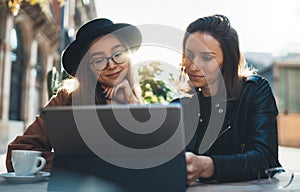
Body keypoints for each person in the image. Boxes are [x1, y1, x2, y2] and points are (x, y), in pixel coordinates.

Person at [6, 18, 142, 172]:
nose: (111, 65)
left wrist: (133, 108)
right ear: (88, 68)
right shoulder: (64, 101)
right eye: (98, 60)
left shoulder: (137, 103)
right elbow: (15, 154)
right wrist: (77, 164)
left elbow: (151, 160)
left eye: (118, 54)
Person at [175, 14, 281, 184]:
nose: (193, 66)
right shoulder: (179, 106)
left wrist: (208, 166)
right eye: (188, 55)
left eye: (207, 58)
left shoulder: (254, 92)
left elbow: (265, 158)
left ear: (228, 59)